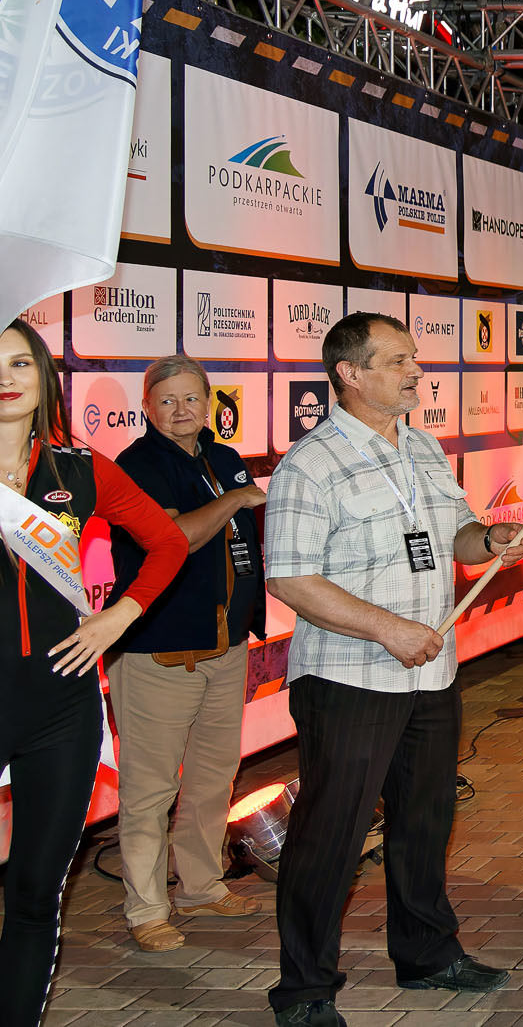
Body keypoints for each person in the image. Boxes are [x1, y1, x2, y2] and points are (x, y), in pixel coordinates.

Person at [263, 312, 523, 1027]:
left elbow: (456, 534)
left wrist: (491, 539)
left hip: (430, 673)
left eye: (415, 358)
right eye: (398, 361)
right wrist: (387, 628)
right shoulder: (309, 464)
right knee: (332, 834)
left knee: (425, 821)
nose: (417, 371)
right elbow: (290, 578)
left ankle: (426, 955)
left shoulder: (422, 446)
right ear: (349, 374)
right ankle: (304, 990)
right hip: (349, 678)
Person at [0, 319, 187, 1025]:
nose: (6, 378)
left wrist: (120, 616)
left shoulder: (78, 470)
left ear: (45, 376)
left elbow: (167, 542)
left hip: (61, 709)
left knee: (34, 893)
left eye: (21, 362)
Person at [108, 355, 270, 953]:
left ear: (210, 403)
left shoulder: (223, 460)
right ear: (147, 407)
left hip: (225, 649)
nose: (181, 410)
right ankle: (147, 910)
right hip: (158, 654)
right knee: (150, 791)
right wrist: (236, 500)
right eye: (167, 400)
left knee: (212, 779)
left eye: (192, 398)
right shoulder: (136, 466)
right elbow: (176, 538)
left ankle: (201, 886)